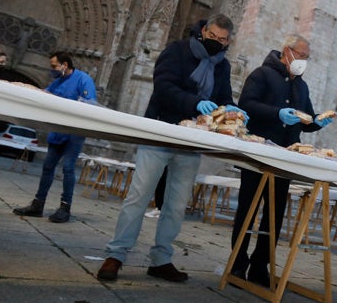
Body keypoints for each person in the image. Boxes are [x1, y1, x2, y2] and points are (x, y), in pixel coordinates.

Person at [97, 15, 243, 283]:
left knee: (176, 205)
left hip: (191, 142)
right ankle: (116, 254)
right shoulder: (177, 51)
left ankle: (161, 259)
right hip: (160, 133)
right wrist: (195, 103)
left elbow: (223, 96)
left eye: (222, 40)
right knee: (138, 196)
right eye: (213, 37)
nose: (217, 43)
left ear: (228, 41)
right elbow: (163, 87)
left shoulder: (222, 66)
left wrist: (230, 107)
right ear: (203, 31)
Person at [229, 34, 334, 286]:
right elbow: (246, 105)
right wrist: (277, 113)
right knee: (248, 210)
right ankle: (237, 263)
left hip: (285, 160)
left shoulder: (302, 86)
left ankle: (259, 266)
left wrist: (317, 121)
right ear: (287, 51)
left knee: (274, 215)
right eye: (301, 55)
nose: (303, 61)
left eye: (307, 57)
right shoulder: (261, 75)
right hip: (258, 154)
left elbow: (304, 120)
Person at [13, 51, 97, 223]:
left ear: (64, 65)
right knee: (48, 167)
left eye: (54, 66)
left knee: (68, 168)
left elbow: (90, 104)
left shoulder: (83, 79)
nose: (51, 69)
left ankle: (65, 207)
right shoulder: (58, 82)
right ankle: (38, 204)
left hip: (75, 131)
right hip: (57, 131)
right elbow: (45, 96)